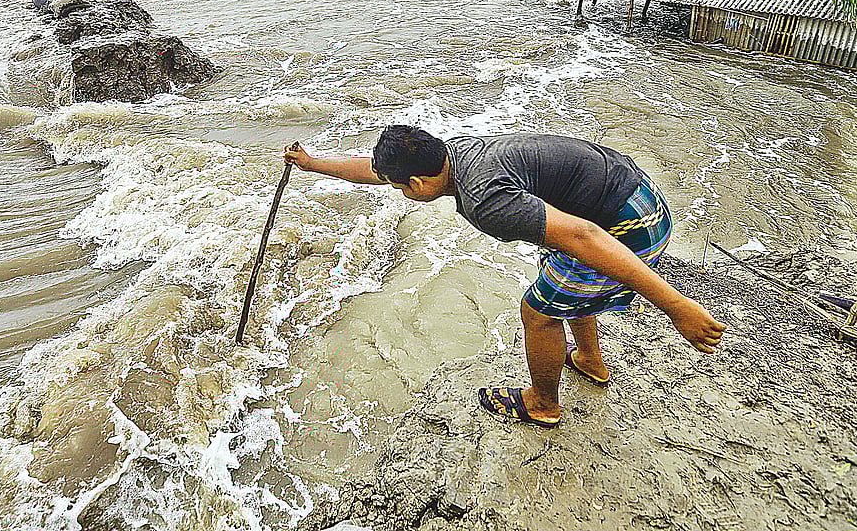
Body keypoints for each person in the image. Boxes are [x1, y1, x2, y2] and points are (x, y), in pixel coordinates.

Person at [285, 125, 726, 428]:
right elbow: (373, 169)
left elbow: (585, 237)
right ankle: (590, 360)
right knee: (558, 280)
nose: (398, 190)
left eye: (401, 186)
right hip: (635, 192)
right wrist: (313, 164)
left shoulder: (487, 201)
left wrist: (677, 308)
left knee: (537, 313)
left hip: (628, 225)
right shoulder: (452, 152)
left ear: (417, 185)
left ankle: (544, 404)